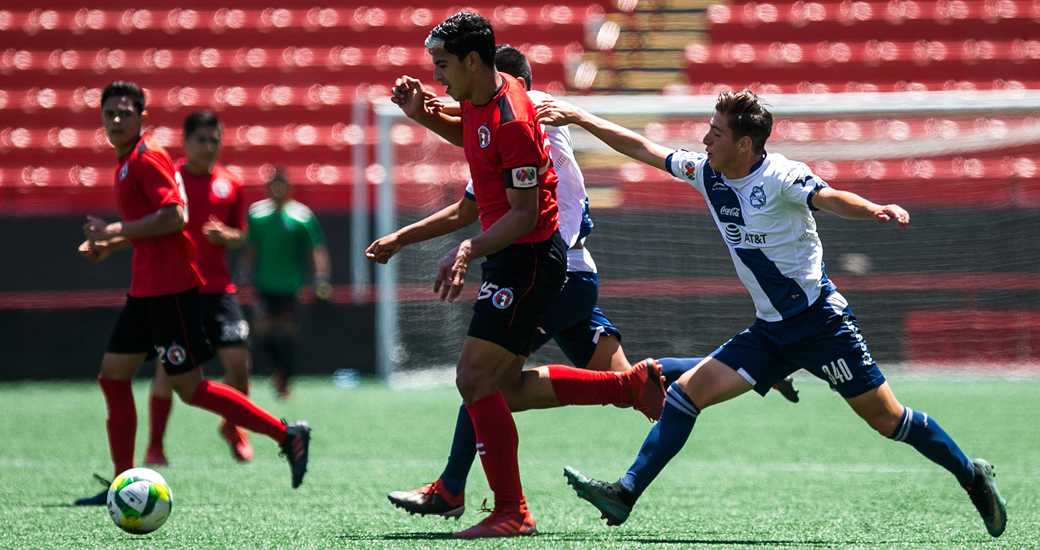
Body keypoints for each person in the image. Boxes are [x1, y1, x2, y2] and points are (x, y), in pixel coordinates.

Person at [537, 89, 1007, 538]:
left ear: (744, 143)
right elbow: (641, 147)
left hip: (822, 325)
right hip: (769, 332)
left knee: (888, 421)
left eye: (716, 133)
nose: (705, 140)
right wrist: (580, 118)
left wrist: (873, 209)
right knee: (683, 396)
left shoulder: (782, 177)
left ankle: (971, 475)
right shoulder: (707, 172)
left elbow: (828, 197)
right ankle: (625, 493)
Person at [383, 45, 802, 523]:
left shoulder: (519, 120)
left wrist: (432, 121)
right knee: (619, 372)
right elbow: (468, 167)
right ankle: (760, 363)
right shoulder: (506, 126)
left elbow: (470, 192)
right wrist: (428, 116)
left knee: (484, 380)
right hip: (573, 274)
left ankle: (453, 488)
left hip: (547, 274)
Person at [366, 14, 665, 538]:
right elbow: (470, 135)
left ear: (473, 61)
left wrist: (467, 247)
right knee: (503, 387)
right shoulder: (487, 99)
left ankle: (509, 510)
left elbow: (524, 215)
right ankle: (625, 387)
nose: (438, 79)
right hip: (518, 259)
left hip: (528, 261)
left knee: (473, 378)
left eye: (442, 67)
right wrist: (420, 115)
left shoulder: (514, 118)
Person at [74, 81, 311, 506]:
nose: (115, 120)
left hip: (171, 291)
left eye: (124, 113)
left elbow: (173, 217)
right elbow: (153, 227)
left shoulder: (147, 157)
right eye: (109, 113)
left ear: (141, 118)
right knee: (112, 377)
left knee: (192, 389)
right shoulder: (128, 161)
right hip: (144, 290)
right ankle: (122, 484)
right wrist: (109, 245)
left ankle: (287, 434)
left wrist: (113, 231)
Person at [145, 111, 254, 466]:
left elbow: (240, 233)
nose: (209, 147)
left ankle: (232, 426)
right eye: (201, 140)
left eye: (215, 140)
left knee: (239, 363)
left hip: (219, 289)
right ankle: (155, 446)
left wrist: (228, 236)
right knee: (168, 370)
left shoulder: (231, 184)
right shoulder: (169, 180)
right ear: (186, 142)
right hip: (178, 290)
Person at [238, 170, 331, 400]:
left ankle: (284, 380)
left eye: (282, 185)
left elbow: (316, 249)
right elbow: (251, 249)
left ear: (289, 188)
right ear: (267, 188)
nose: (278, 190)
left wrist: (320, 279)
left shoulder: (302, 216)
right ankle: (280, 370)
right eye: (274, 185)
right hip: (264, 284)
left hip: (290, 285)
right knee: (261, 333)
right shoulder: (257, 215)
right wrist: (242, 275)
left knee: (288, 333)